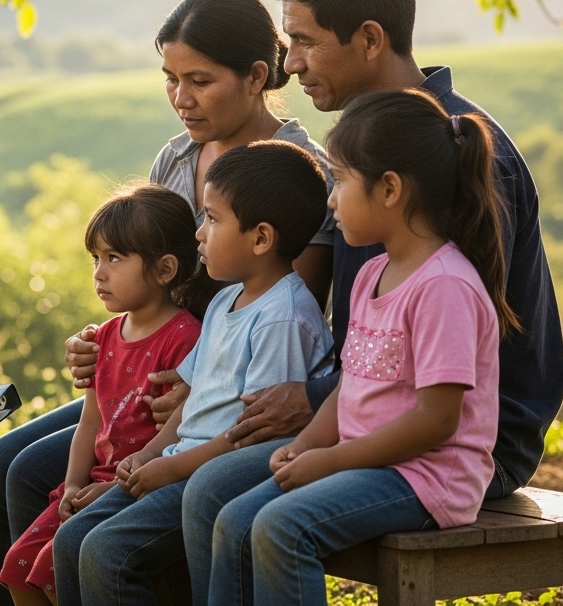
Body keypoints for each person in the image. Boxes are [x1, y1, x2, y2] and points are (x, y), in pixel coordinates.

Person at [181, 0, 563, 597]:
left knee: (236, 498)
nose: (290, 64)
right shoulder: (362, 160)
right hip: (367, 413)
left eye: (304, 41)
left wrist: (318, 420)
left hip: (462, 442)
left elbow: (454, 377)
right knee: (212, 489)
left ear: (368, 38)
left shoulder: (450, 159)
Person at [0, 0, 335, 606]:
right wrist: (107, 342)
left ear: (255, 76)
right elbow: (147, 272)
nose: (181, 99)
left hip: (209, 389)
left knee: (37, 478)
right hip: (159, 368)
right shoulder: (179, 156)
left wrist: (194, 388)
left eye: (200, 81)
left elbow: (288, 301)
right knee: (3, 463)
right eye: (170, 79)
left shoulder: (299, 169)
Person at [202, 88, 516, 604]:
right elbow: (349, 387)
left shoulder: (444, 286)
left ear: (389, 189)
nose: (331, 199)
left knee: (282, 527)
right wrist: (306, 446)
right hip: (365, 464)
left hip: (425, 476)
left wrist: (331, 461)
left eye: (341, 180)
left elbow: (437, 421)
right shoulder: (373, 273)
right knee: (234, 521)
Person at [52, 141, 334, 606]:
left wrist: (170, 467)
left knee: (107, 552)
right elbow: (193, 400)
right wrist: (150, 454)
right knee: (70, 540)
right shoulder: (225, 301)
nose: (199, 233)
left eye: (213, 219)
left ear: (261, 238)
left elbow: (254, 433)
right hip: (178, 460)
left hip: (211, 471)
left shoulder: (282, 317)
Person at [0, 184, 211, 606]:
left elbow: (180, 432)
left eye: (114, 258)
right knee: (18, 568)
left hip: (144, 480)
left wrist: (115, 487)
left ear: (165, 269)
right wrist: (73, 483)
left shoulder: (185, 339)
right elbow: (90, 422)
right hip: (93, 481)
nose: (99, 272)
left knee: (55, 570)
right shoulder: (105, 337)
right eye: (95, 258)